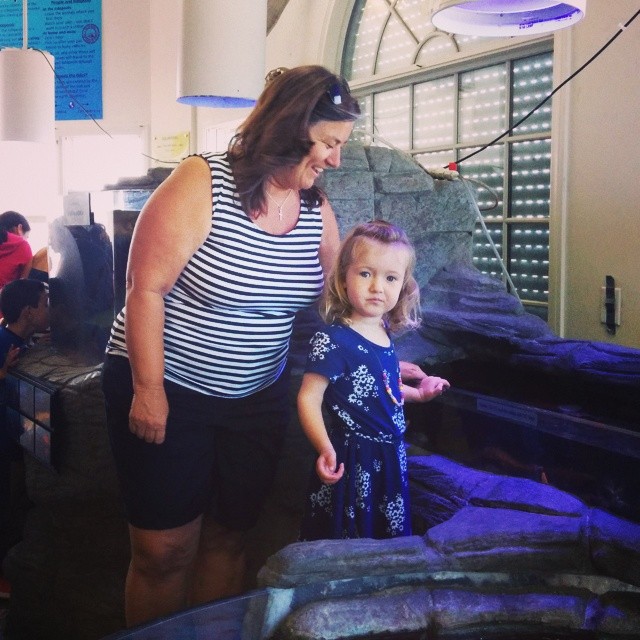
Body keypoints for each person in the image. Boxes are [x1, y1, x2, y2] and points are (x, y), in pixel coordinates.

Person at [100, 65, 361, 626]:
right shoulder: (203, 181)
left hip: (255, 396)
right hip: (169, 383)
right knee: (164, 551)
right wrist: (148, 390)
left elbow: (341, 304)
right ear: (292, 126)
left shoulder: (316, 211)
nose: (335, 159)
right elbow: (145, 288)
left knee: (229, 537)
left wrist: (386, 360)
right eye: (329, 143)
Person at [298, 220, 450, 541]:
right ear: (343, 277)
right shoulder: (333, 340)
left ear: (403, 285)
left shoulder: (382, 331)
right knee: (352, 539)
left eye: (390, 277)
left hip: (389, 455)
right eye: (366, 273)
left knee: (387, 538)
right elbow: (308, 398)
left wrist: (419, 395)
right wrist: (324, 448)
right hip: (354, 459)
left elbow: (382, 388)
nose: (377, 287)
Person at [0, 279, 50, 594]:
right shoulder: (3, 342)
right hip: (4, 447)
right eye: (45, 304)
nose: (50, 309)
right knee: (7, 506)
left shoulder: (19, 340)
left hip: (14, 442)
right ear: (29, 312)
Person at [0, 211, 33, 289]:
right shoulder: (22, 245)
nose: (26, 240)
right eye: (27, 236)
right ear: (19, 228)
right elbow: (21, 288)